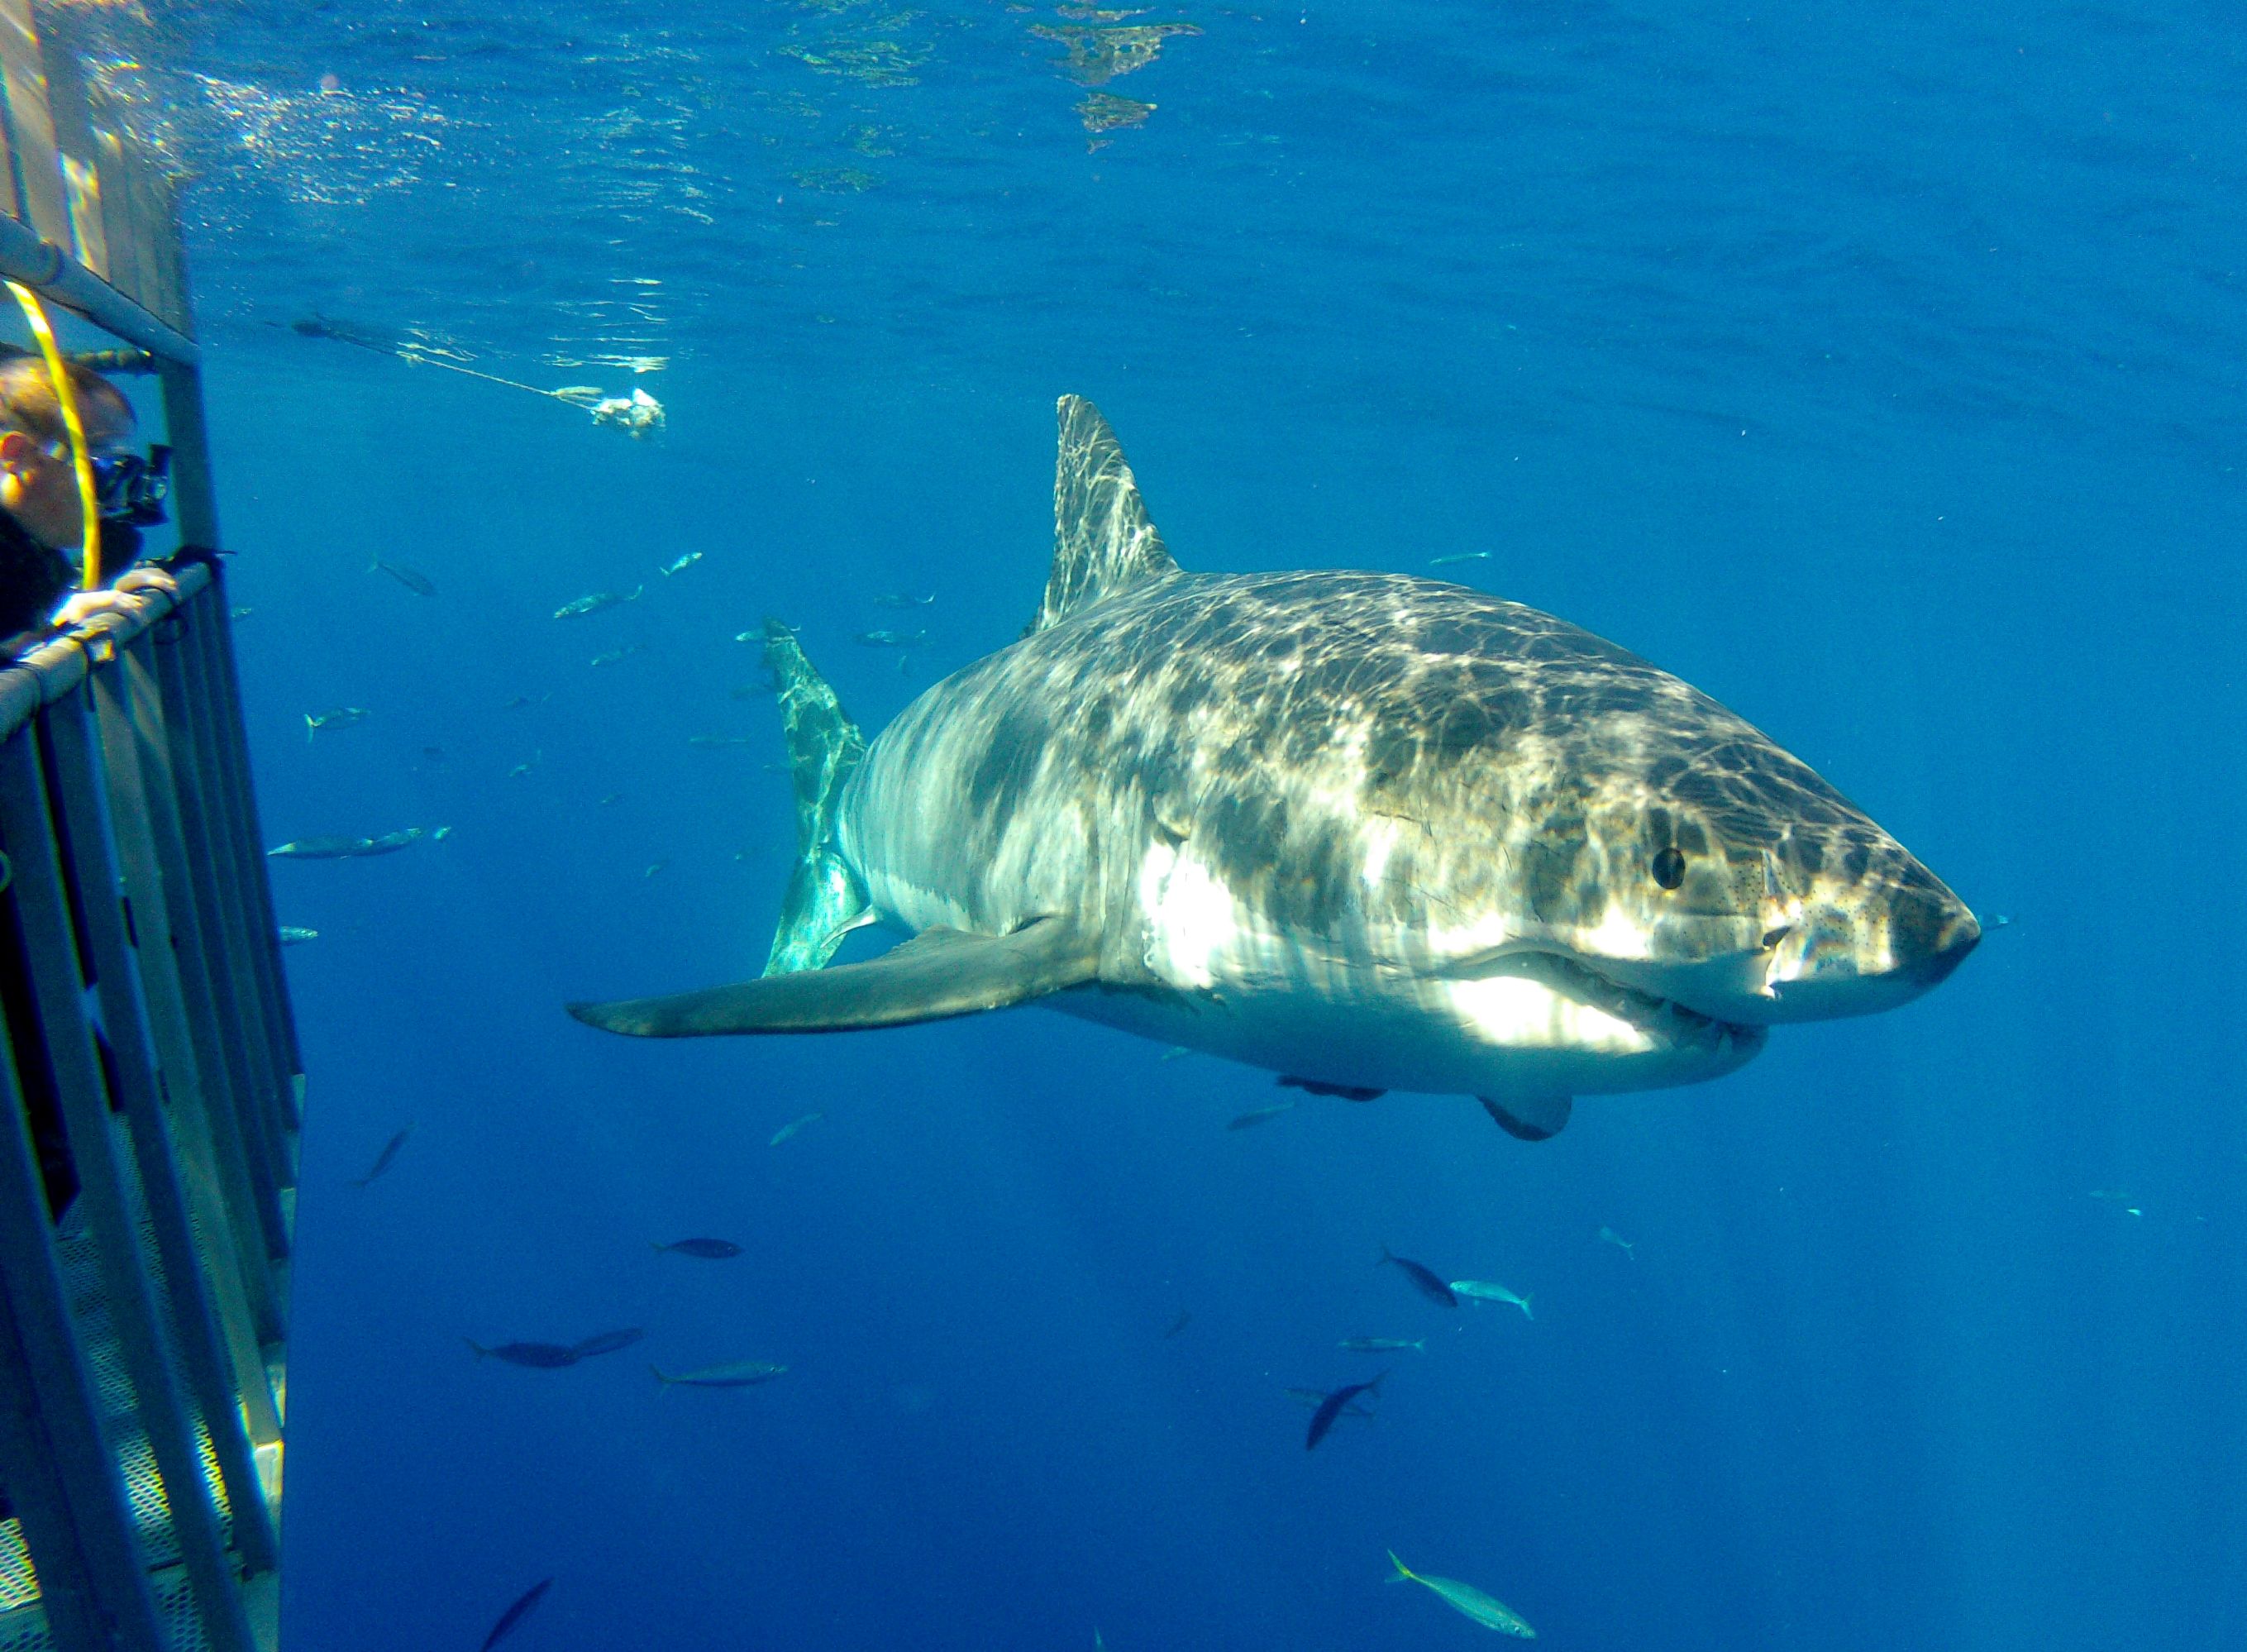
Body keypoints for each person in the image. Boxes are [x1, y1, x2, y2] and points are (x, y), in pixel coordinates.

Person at [0, 351, 177, 658]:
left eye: (129, 476)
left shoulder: (34, 551)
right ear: (17, 455)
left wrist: (94, 596)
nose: (117, 503)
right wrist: (56, 636)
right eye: (102, 473)